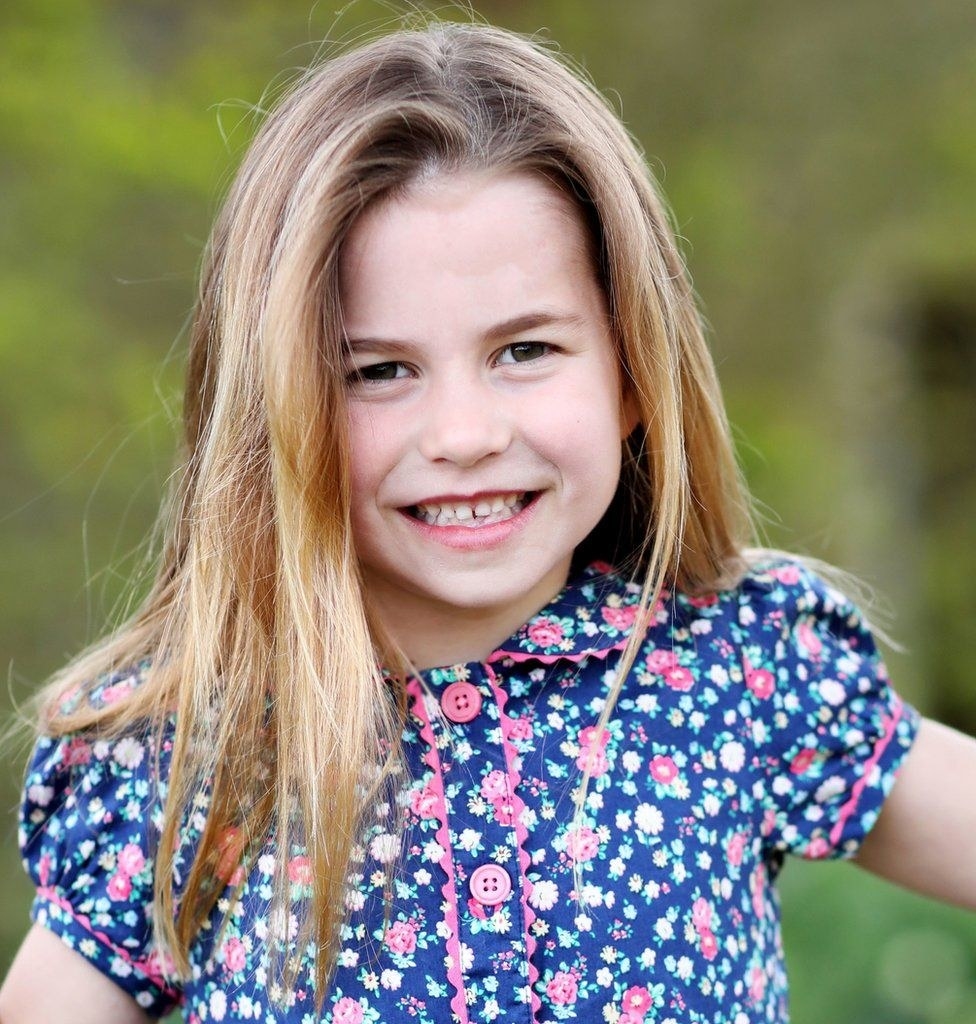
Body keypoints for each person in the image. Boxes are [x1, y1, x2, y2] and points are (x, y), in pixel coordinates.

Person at [2, 18, 975, 1024]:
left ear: (634, 371)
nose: (462, 433)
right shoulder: (189, 750)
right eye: (378, 372)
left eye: (524, 351)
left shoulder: (738, 666)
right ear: (271, 412)